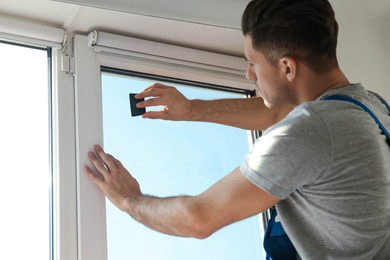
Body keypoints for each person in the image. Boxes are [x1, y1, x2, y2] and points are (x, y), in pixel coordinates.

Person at [83, 0, 390, 259]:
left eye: (253, 63)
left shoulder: (311, 130)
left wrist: (129, 200)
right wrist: (193, 109)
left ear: (287, 67)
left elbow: (198, 219)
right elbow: (283, 113)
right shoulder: (369, 106)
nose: (248, 74)